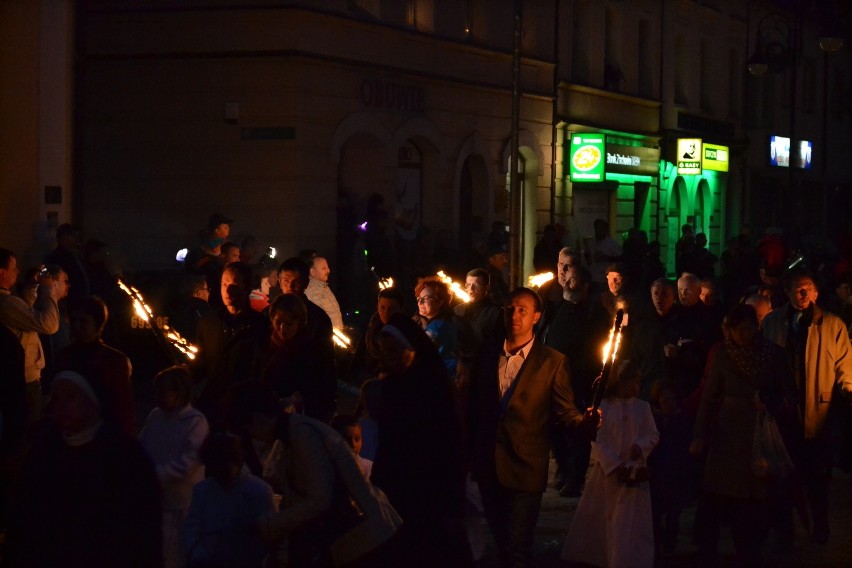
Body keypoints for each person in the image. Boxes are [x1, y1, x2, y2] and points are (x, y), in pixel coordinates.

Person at [467, 287, 598, 567]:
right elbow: (473, 407)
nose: (515, 315)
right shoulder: (487, 354)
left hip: (526, 466)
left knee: (519, 546)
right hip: (489, 463)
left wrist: (584, 422)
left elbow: (564, 411)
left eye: (522, 310)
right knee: (500, 542)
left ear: (536, 317)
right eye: (510, 309)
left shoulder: (552, 361)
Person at [232, 383, 402, 567]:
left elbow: (319, 499)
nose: (254, 438)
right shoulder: (294, 436)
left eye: (249, 430)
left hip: (367, 537)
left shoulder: (303, 435)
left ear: (257, 419)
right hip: (361, 536)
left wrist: (268, 525)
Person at [6, 370, 163, 567]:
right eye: (56, 397)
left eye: (71, 396)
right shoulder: (43, 451)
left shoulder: (124, 456)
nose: (61, 405)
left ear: (92, 401)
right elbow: (24, 519)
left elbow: (143, 529)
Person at [691, 304, 796, 564]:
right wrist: (699, 434)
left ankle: (751, 548)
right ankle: (709, 548)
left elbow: (790, 394)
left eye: (748, 329)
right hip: (727, 434)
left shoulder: (773, 355)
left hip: (759, 434)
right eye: (737, 330)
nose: (743, 335)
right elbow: (709, 397)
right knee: (719, 494)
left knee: (754, 499)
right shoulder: (724, 355)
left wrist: (771, 402)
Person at [762, 268, 852, 544]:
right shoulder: (774, 322)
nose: (802, 294)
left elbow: (844, 365)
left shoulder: (832, 324)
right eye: (797, 289)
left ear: (816, 292)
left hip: (817, 411)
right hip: (784, 410)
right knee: (784, 476)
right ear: (787, 292)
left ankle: (820, 527)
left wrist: (846, 390)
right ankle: (784, 530)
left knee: (817, 476)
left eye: (807, 288)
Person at [371, 313, 470, 565]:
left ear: (411, 349)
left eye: (394, 350)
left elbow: (452, 444)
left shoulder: (434, 387)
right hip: (397, 486)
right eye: (384, 351)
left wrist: (452, 501)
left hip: (431, 488)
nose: (388, 357)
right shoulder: (390, 387)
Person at [562, 360, 659, 568]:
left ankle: (629, 557)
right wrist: (614, 464)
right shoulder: (604, 408)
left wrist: (641, 447)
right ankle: (601, 555)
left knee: (629, 520)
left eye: (637, 382)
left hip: (634, 473)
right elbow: (598, 439)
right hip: (608, 476)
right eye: (631, 382)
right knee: (605, 515)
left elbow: (652, 434)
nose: (635, 387)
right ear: (619, 383)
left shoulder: (642, 408)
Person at [542, 265, 611, 497]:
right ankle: (562, 468)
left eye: (572, 281)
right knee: (554, 430)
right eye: (566, 280)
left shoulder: (594, 313)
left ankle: (575, 477)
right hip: (553, 379)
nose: (567, 284)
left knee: (577, 432)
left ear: (584, 286)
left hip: (580, 379)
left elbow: (598, 346)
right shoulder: (557, 309)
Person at [140, 365, 210, 568]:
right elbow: (142, 443)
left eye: (163, 391)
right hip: (157, 499)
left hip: (183, 503)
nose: (157, 396)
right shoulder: (155, 416)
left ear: (179, 392)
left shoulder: (195, 422)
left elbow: (188, 462)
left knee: (180, 553)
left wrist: (155, 475)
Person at [183, 432, 276, 568]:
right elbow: (192, 529)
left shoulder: (259, 491)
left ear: (236, 460)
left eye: (222, 467)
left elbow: (271, 535)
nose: (219, 473)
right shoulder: (202, 490)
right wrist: (199, 556)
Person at [194, 262, 268, 427]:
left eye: (234, 284)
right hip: (213, 406)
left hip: (246, 408)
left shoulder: (260, 326)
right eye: (224, 284)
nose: (227, 290)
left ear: (247, 287)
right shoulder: (208, 323)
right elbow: (201, 364)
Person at [54, 295, 136, 436]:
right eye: (73, 321)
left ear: (97, 325)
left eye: (83, 321)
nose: (76, 326)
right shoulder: (64, 357)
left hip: (102, 434)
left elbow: (122, 407)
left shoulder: (114, 361)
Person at [0, 248, 61, 426]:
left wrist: (32, 286)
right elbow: (48, 324)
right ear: (1, 272)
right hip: (24, 379)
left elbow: (25, 312)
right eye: (14, 268)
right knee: (28, 432)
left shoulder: (10, 302)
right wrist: (49, 289)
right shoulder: (6, 303)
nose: (18, 271)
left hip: (18, 377)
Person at [261, 293, 334, 422]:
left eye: (288, 323)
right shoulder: (264, 346)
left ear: (299, 323)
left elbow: (321, 389)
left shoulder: (311, 351)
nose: (282, 328)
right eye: (278, 322)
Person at [648, 379, 691, 555]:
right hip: (657, 472)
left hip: (675, 472)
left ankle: (670, 545)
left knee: (673, 512)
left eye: (672, 399)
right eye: (665, 400)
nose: (669, 404)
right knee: (656, 512)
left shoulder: (681, 420)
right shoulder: (654, 420)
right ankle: (657, 544)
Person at [350, 287, 404, 385]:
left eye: (392, 308)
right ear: (377, 306)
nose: (386, 313)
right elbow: (357, 363)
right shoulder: (371, 330)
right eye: (382, 307)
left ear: (400, 309)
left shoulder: (406, 334)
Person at [455, 268, 503, 351]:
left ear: (486, 288)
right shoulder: (457, 310)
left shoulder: (496, 313)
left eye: (476, 285)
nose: (471, 288)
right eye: (468, 285)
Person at [44, 223, 90, 302]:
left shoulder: (76, 255)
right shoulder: (57, 257)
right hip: (68, 300)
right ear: (63, 237)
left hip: (80, 299)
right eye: (72, 236)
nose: (76, 239)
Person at [305, 255, 345, 329]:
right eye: (324, 268)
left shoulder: (324, 287)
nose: (328, 271)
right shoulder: (311, 292)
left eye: (327, 267)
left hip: (336, 336)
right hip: (327, 337)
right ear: (312, 272)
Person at [330, 413, 372, 479]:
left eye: (357, 439)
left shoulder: (367, 467)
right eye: (346, 440)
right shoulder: (328, 464)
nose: (353, 444)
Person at [587, 218, 622, 288]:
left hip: (605, 279)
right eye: (596, 228)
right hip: (592, 277)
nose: (598, 231)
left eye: (600, 229)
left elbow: (620, 258)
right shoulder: (591, 242)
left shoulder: (612, 244)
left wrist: (606, 258)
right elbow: (587, 255)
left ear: (605, 230)